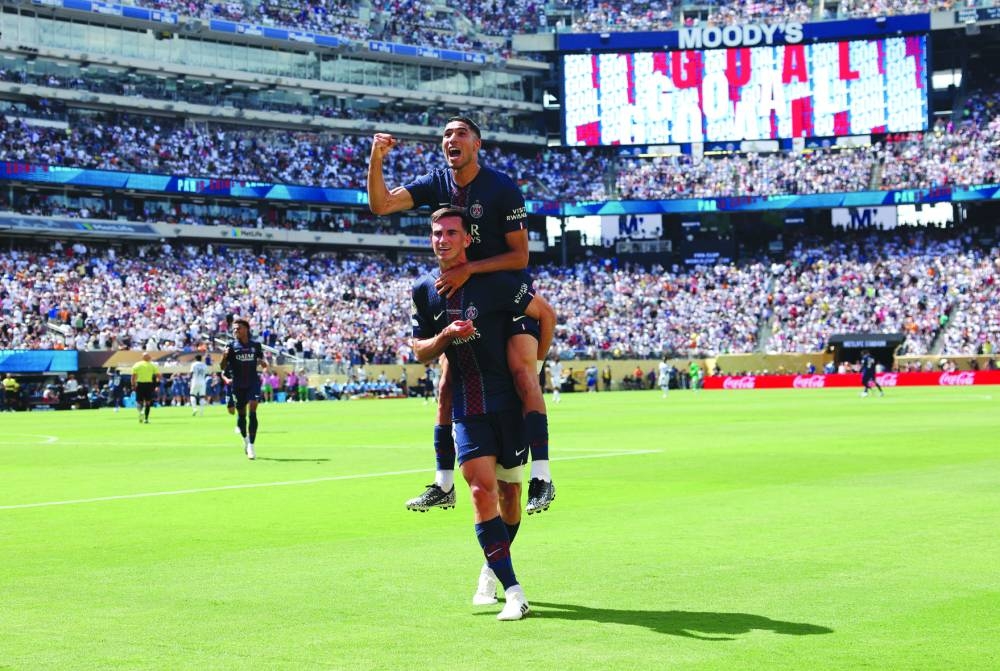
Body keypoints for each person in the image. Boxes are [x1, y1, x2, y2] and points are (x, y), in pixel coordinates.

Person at [370, 115, 556, 514]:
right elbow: (381, 204)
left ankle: (542, 475)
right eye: (446, 134)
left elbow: (520, 255)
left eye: (460, 133)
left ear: (477, 144)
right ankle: (443, 482)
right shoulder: (435, 182)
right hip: (465, 295)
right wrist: (377, 158)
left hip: (507, 292)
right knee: (446, 386)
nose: (451, 139)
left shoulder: (502, 188)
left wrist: (470, 268)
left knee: (524, 372)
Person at [411, 207, 556, 621]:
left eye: (451, 233)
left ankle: (492, 567)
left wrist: (537, 365)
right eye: (437, 233)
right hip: (468, 408)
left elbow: (545, 314)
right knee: (480, 492)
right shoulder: (424, 290)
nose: (443, 239)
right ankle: (514, 590)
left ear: (467, 239)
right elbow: (419, 349)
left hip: (508, 404)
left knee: (510, 497)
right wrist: (444, 336)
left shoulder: (494, 283)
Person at [219, 319, 268, 460]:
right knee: (241, 415)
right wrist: (224, 356)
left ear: (246, 329)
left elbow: (261, 360)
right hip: (237, 385)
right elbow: (222, 367)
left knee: (253, 409)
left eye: (238, 328)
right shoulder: (231, 346)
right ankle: (246, 440)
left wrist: (263, 363)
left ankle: (252, 445)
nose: (235, 331)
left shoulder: (256, 345)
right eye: (234, 329)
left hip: (253, 382)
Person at [130, 352, 159, 424]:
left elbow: (133, 376)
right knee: (148, 402)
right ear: (149, 358)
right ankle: (146, 419)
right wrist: (156, 385)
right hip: (149, 384)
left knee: (139, 401)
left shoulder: (137, 365)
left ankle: (141, 411)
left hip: (139, 384)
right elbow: (158, 376)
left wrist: (133, 385)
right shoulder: (152, 365)